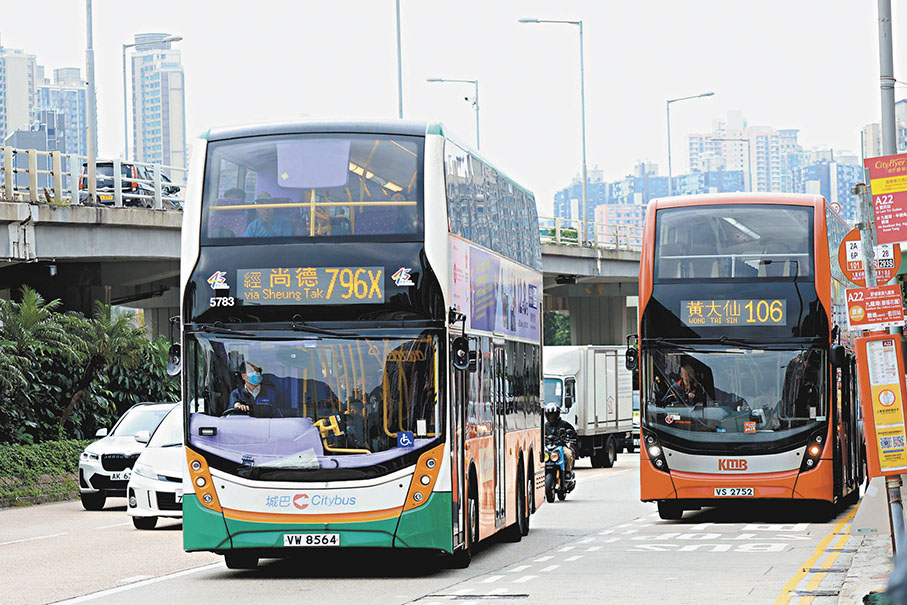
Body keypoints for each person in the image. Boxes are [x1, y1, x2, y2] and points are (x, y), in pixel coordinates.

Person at [545, 402, 577, 478]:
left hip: (560, 446)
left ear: (557, 414)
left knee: (569, 454)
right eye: (549, 415)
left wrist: (570, 438)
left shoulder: (564, 424)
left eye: (553, 415)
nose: (551, 417)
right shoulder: (545, 426)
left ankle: (568, 472)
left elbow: (573, 433)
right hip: (548, 448)